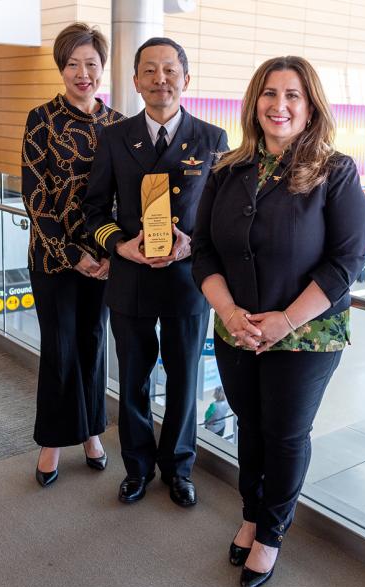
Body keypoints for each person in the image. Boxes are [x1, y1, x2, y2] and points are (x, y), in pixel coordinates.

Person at [191, 56, 365, 587]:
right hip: (237, 328)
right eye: (269, 94)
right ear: (254, 103)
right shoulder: (226, 169)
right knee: (250, 423)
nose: (280, 105)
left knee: (286, 434)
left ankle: (270, 532)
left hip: (307, 336)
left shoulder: (335, 171)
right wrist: (228, 312)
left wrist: (285, 322)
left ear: (310, 105)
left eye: (292, 95)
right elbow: (203, 254)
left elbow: (345, 262)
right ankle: (251, 512)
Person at [83, 37, 228, 507]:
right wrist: (120, 245)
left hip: (189, 280)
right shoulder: (115, 137)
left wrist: (194, 243)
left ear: (186, 79)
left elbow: (221, 214)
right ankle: (138, 468)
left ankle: (179, 468)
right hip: (132, 276)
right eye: (150, 70)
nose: (160, 79)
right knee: (134, 381)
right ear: (136, 81)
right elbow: (93, 209)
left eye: (169, 70)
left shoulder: (213, 139)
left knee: (186, 378)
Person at [21, 23, 124, 487]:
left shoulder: (120, 125)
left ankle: (90, 434)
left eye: (91, 64)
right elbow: (34, 195)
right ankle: (52, 440)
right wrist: (70, 253)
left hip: (104, 257)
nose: (83, 73)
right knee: (59, 348)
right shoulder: (41, 119)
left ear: (102, 68)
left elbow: (128, 198)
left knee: (92, 344)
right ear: (61, 68)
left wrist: (109, 251)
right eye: (73, 64)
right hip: (52, 257)